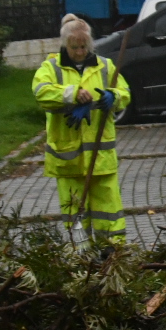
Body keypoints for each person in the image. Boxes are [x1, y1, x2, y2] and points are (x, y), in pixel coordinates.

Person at [32, 15, 130, 248]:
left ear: (90, 44)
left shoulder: (105, 66)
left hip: (101, 157)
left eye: (83, 47)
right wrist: (72, 94)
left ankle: (113, 254)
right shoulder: (51, 68)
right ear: (65, 44)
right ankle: (83, 258)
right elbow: (41, 92)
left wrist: (113, 97)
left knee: (109, 209)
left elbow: (125, 92)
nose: (79, 52)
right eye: (74, 47)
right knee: (75, 210)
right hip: (69, 160)